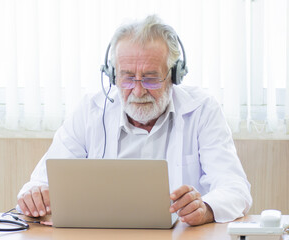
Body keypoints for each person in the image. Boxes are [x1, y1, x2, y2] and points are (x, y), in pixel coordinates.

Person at [17, 15, 252, 226]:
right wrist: (36, 196)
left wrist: (207, 208)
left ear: (175, 75)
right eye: (128, 77)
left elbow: (235, 189)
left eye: (150, 78)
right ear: (112, 75)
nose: (138, 91)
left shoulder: (202, 110)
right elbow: (40, 183)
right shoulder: (90, 111)